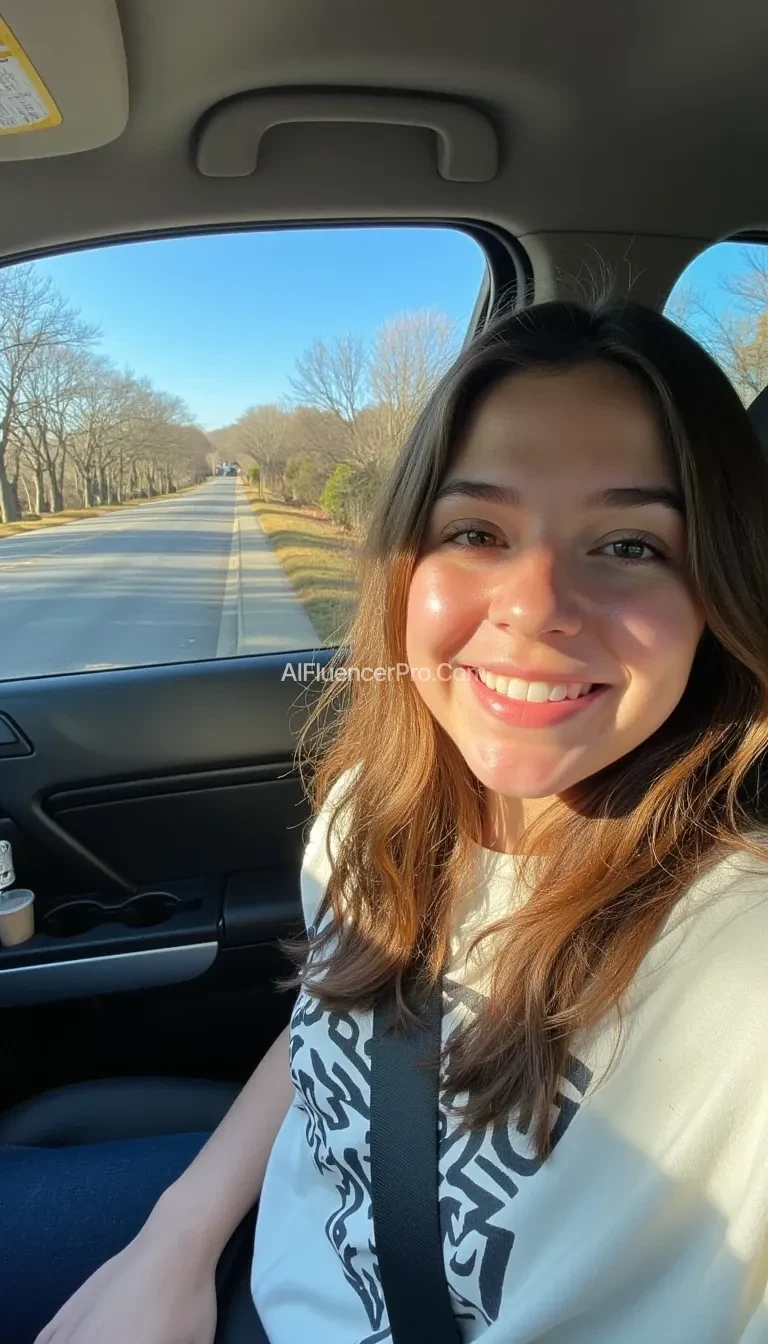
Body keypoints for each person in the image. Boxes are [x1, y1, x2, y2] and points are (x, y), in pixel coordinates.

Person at [14, 296, 768, 1343]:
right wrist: (172, 1242)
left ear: (720, 592)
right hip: (253, 1257)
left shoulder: (740, 959)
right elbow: (335, 1027)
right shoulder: (379, 808)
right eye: (476, 532)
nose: (534, 602)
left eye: (632, 545)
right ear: (403, 567)